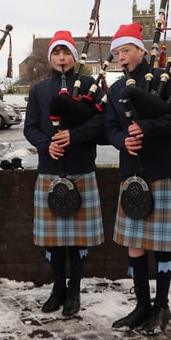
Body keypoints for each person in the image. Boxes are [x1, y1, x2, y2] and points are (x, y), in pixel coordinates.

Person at [104, 22, 171, 335]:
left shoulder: (168, 80)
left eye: (126, 50)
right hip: (131, 173)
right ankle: (141, 304)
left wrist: (148, 129)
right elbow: (109, 127)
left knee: (163, 245)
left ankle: (161, 305)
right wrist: (122, 141)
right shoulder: (114, 89)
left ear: (141, 49)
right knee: (135, 245)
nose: (121, 57)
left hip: (161, 169)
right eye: (117, 52)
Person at [23, 30, 105, 317]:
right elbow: (30, 127)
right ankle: (57, 288)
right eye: (57, 53)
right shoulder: (38, 90)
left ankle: (75, 290)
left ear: (74, 56)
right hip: (50, 170)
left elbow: (102, 124)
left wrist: (75, 135)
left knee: (78, 239)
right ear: (50, 58)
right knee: (54, 240)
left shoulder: (91, 85)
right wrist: (47, 146)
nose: (62, 58)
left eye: (66, 53)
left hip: (81, 168)